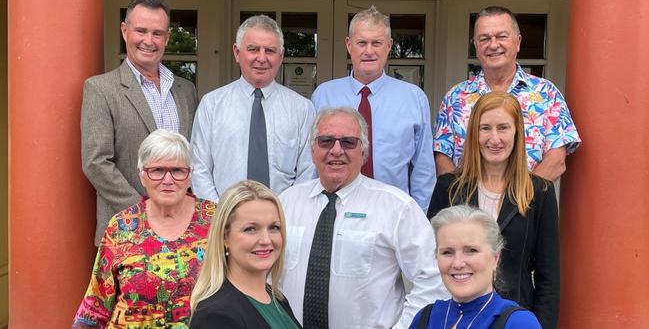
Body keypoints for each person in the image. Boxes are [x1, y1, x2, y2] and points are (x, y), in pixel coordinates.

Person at [279, 107, 447, 329]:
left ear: (364, 152)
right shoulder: (286, 203)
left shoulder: (397, 208)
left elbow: (433, 279)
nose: (336, 150)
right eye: (326, 141)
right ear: (312, 151)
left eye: (348, 142)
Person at [428, 92, 559, 328]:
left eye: (503, 128)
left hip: (516, 317)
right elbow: (431, 261)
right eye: (485, 128)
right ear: (474, 134)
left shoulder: (540, 192)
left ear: (517, 132)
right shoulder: (448, 187)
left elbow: (548, 276)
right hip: (457, 317)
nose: (494, 138)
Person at [81, 0, 198, 245]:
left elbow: (191, 157)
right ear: (125, 31)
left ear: (166, 38)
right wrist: (144, 211)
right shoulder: (101, 89)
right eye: (141, 31)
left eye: (157, 33)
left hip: (182, 230)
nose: (149, 41)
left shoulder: (186, 90)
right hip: (125, 228)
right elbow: (96, 162)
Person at [73, 129, 215, 328]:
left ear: (190, 175)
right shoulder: (122, 226)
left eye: (177, 171)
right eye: (157, 171)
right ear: (142, 175)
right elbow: (96, 304)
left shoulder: (215, 220)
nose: (168, 180)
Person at [434, 5, 580, 182]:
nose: (493, 45)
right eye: (484, 39)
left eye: (501, 36)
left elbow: (556, 160)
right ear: (476, 46)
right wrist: (466, 199)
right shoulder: (455, 98)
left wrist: (518, 201)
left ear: (518, 42)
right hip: (467, 207)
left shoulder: (546, 94)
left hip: (527, 205)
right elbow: (441, 159)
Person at [311, 6, 435, 211]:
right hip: (333, 208)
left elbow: (423, 170)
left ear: (389, 45)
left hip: (393, 211)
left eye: (376, 43)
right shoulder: (324, 95)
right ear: (349, 45)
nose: (369, 51)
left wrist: (419, 218)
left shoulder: (414, 98)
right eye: (362, 43)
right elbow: (312, 162)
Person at [191, 15, 315, 201]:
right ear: (237, 52)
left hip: (284, 221)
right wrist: (221, 216)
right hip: (223, 220)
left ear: (280, 57)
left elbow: (308, 172)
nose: (262, 58)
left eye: (270, 50)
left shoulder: (302, 109)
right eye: (253, 49)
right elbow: (199, 169)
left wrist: (282, 215)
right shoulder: (212, 105)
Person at [189, 180, 302, 328]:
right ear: (224, 237)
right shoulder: (216, 316)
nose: (266, 240)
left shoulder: (276, 299)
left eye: (274, 227)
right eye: (250, 229)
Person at [410, 205, 542, 329]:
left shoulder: (518, 323)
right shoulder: (425, 318)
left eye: (471, 250)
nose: (458, 263)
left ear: (495, 258)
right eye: (447, 252)